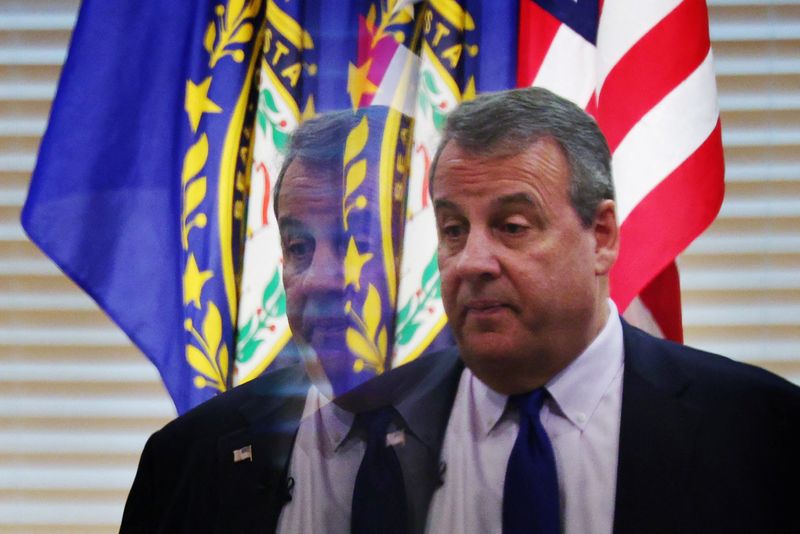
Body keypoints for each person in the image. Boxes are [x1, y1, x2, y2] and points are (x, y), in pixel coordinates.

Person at [340, 86, 800, 534]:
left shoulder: (760, 430)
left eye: (512, 226)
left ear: (601, 237)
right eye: (454, 229)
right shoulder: (364, 431)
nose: (471, 261)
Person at [119, 109, 388, 533]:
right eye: (299, 247)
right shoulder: (182, 461)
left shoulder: (521, 444)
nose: (318, 280)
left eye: (354, 241)